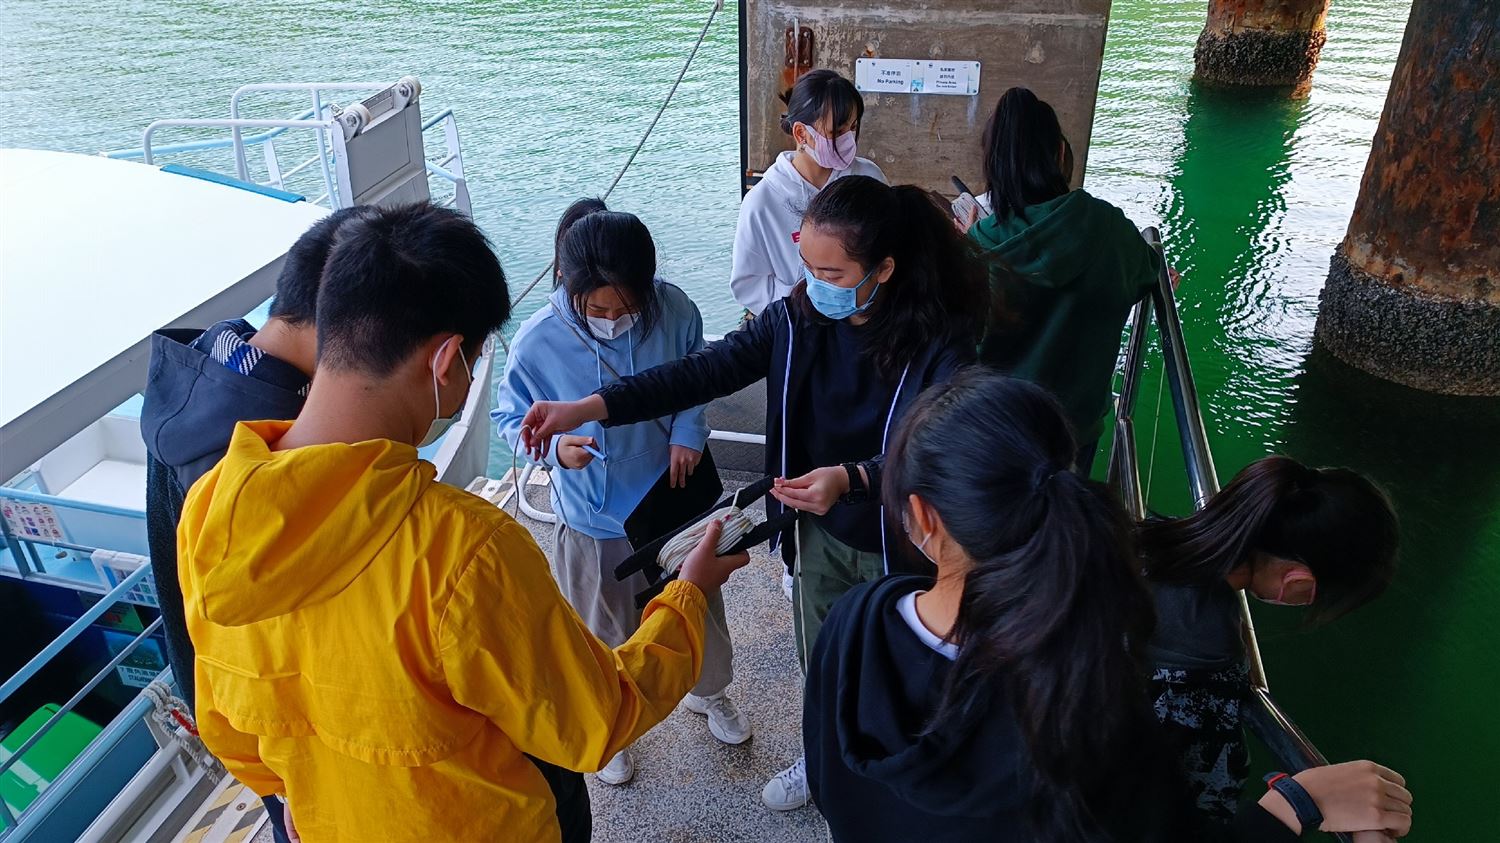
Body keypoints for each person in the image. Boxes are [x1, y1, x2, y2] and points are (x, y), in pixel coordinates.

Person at [177, 203, 751, 843]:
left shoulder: (210, 507)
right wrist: (688, 594)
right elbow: (593, 722)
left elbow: (233, 735)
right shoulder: (466, 548)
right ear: (446, 360)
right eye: (475, 362)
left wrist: (307, 788)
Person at [520, 174, 988, 812]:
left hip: (903, 534)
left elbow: (934, 446)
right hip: (815, 524)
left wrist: (851, 479)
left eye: (831, 272)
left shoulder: (939, 342)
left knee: (896, 658)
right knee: (820, 650)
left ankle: (894, 776)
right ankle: (822, 756)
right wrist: (588, 407)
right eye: (807, 267)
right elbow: (699, 372)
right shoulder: (796, 319)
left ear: (884, 269)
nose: (813, 284)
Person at [804, 367, 1415, 842]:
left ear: (921, 515)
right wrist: (1298, 802)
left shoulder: (853, 621)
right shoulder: (1085, 714)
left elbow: (832, 785)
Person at [493, 202, 750, 788]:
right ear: (568, 284)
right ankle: (612, 724)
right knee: (603, 629)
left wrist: (689, 432)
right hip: (594, 515)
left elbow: (699, 375)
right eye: (598, 310)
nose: (613, 319)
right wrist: (554, 452)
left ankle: (710, 693)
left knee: (701, 608)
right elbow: (509, 417)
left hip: (673, 501)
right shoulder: (536, 341)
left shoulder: (676, 309)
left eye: (627, 307)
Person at [141, 205, 374, 843]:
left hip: (240, 720)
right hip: (288, 749)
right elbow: (256, 640)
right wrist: (290, 777)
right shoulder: (252, 456)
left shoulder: (213, 373)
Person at [1139, 455, 1400, 821]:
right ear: (1298, 579)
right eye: (1317, 597)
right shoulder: (1207, 651)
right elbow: (1202, 805)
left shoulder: (1139, 536)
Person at [959, 86, 1164, 474]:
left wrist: (972, 240)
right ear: (1059, 154)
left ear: (993, 166)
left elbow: (964, 338)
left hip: (997, 428)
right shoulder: (1108, 226)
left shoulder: (980, 246)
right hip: (1075, 431)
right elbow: (1145, 273)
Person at [730, 68, 887, 317]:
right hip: (798, 321)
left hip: (867, 315)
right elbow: (748, 283)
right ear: (801, 133)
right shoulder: (762, 201)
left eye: (853, 128)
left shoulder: (869, 177)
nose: (848, 140)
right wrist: (804, 306)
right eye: (837, 132)